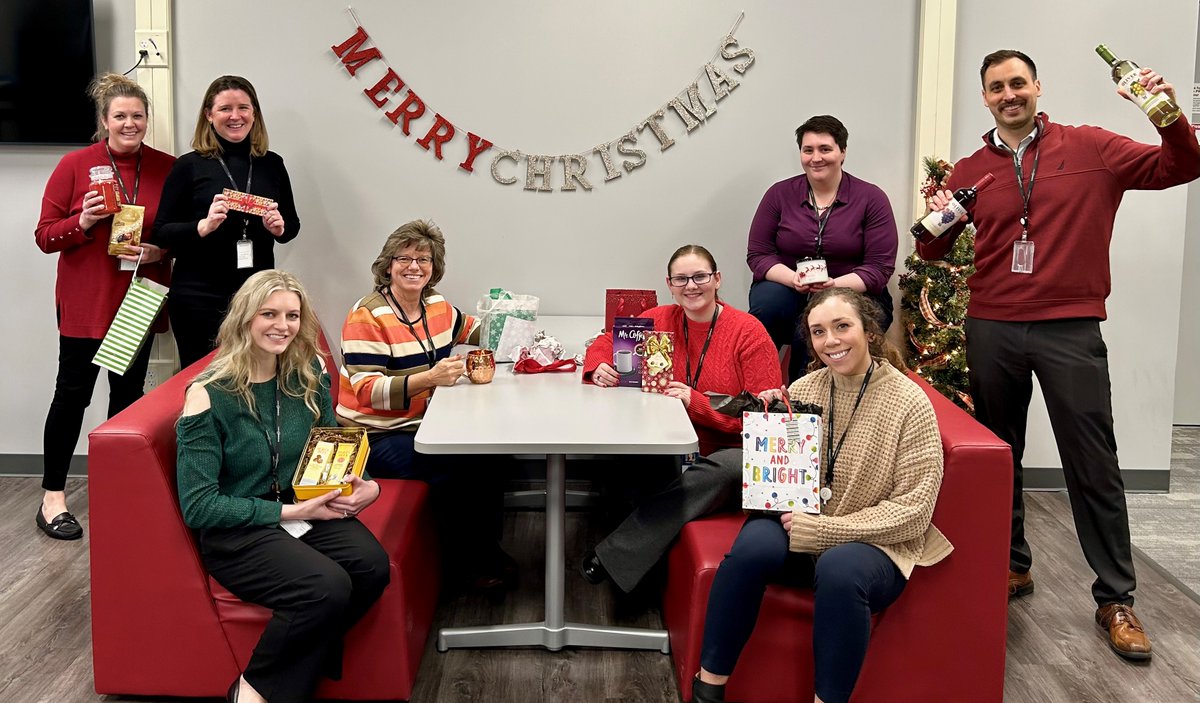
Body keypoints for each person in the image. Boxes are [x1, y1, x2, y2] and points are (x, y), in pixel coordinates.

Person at [919, 49, 1200, 661]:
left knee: (1092, 460)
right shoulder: (971, 167)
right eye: (997, 87)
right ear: (985, 97)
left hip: (1069, 326)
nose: (1009, 94)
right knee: (1001, 453)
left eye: (1018, 83)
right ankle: (1012, 563)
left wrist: (1168, 114)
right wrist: (936, 216)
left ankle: (1115, 598)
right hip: (992, 324)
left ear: (1037, 87)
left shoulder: (1093, 147)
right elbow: (933, 252)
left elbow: (1183, 165)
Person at [691, 287, 950, 703]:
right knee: (752, 548)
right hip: (803, 526)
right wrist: (772, 420)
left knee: (839, 569)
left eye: (842, 326)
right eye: (818, 331)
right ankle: (708, 687)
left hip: (874, 545)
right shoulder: (806, 388)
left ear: (869, 330)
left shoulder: (908, 402)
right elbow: (783, 479)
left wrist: (826, 530)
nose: (831, 340)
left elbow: (914, 512)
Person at [177, 269, 388, 703]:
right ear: (245, 318)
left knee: (372, 566)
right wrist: (292, 512)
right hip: (238, 530)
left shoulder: (306, 373)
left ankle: (304, 660)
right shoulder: (208, 394)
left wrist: (368, 486)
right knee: (326, 587)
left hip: (301, 508)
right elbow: (199, 507)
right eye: (269, 314)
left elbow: (331, 443)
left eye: (292, 315)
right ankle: (252, 689)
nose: (283, 325)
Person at [580, 244, 782, 594]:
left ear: (717, 279)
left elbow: (764, 421)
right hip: (671, 442)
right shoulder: (659, 319)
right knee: (635, 464)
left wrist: (696, 402)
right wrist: (597, 365)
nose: (691, 286)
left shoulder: (748, 332)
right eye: (681, 279)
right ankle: (643, 585)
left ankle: (612, 556)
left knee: (723, 468)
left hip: (733, 451)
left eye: (700, 276)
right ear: (669, 285)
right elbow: (606, 340)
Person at [33, 73, 175, 541]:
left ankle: (119, 490)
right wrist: (84, 220)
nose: (130, 124)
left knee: (127, 399)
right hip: (87, 302)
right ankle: (53, 498)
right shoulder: (75, 165)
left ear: (147, 119)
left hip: (137, 300)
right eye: (120, 116)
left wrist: (159, 252)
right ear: (104, 120)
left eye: (138, 116)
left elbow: (178, 234)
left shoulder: (168, 167)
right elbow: (44, 236)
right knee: (72, 396)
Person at [336, 219, 514, 591]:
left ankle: (485, 550)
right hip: (374, 437)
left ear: (434, 267)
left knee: (494, 456)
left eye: (424, 259)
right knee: (461, 466)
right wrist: (429, 378)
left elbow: (474, 329)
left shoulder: (436, 305)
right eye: (404, 258)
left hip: (426, 424)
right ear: (388, 266)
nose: (414, 266)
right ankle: (467, 564)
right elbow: (367, 391)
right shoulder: (367, 315)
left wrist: (517, 323)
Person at [154, 75, 300, 369]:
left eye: (243, 108)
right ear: (209, 115)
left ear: (254, 114)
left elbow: (291, 227)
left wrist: (279, 228)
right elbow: (161, 232)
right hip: (198, 296)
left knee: (255, 375)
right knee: (201, 378)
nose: (235, 116)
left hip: (256, 295)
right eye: (225, 109)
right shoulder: (188, 165)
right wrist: (202, 226)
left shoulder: (272, 164)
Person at [746, 115, 899, 382]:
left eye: (825, 149)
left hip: (852, 290)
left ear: (843, 152)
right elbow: (758, 255)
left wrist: (833, 287)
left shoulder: (872, 198)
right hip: (789, 287)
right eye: (808, 150)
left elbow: (879, 268)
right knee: (767, 306)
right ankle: (759, 388)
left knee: (817, 326)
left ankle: (806, 395)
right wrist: (793, 279)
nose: (816, 158)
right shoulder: (778, 194)